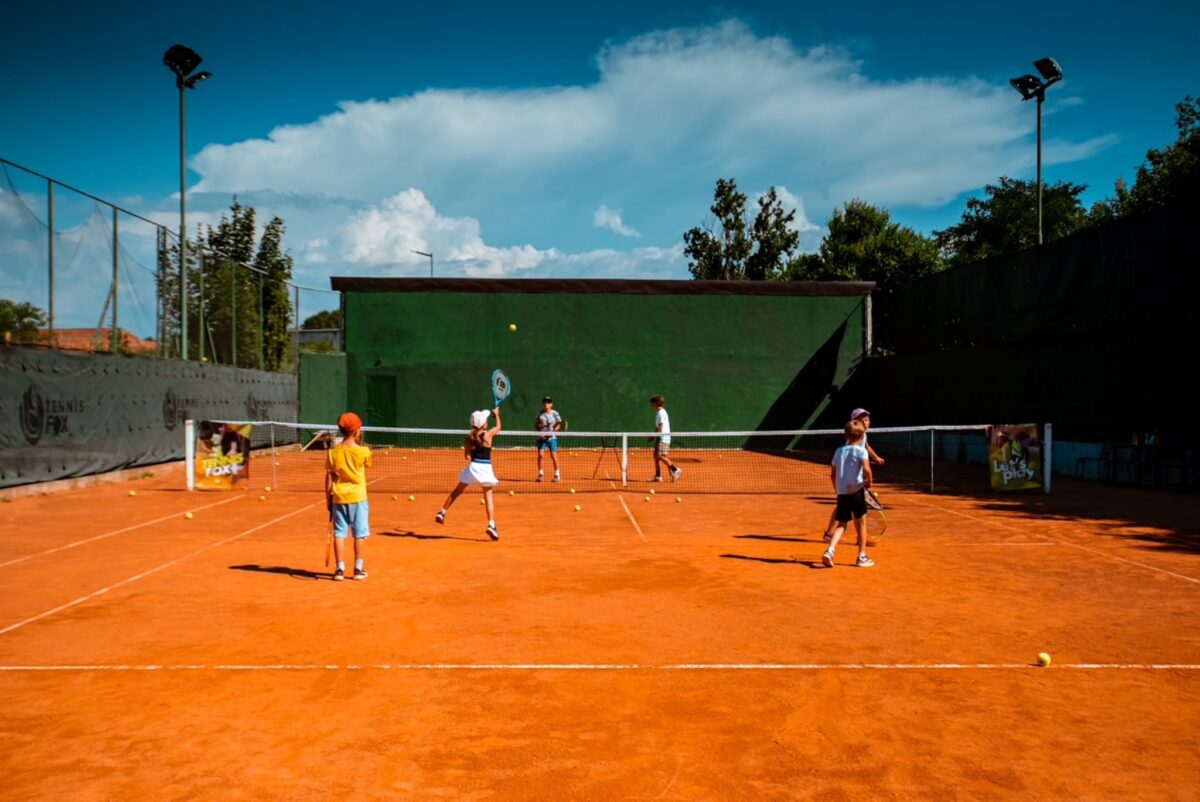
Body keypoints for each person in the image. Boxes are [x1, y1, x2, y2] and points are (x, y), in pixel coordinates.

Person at [435, 407, 502, 540]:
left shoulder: (469, 438)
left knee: (457, 491)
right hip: (485, 468)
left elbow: (467, 457)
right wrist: (497, 415)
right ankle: (491, 525)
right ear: (483, 424)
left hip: (473, 467)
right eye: (486, 420)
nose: (487, 421)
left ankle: (442, 512)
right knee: (488, 496)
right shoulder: (487, 435)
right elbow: (499, 427)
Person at [823, 407, 884, 541]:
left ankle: (855, 536)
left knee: (852, 507)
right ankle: (851, 535)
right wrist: (867, 479)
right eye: (862, 420)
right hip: (852, 476)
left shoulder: (863, 436)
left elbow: (867, 446)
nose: (866, 422)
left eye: (867, 420)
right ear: (854, 423)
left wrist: (876, 457)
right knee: (855, 508)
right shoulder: (852, 440)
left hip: (855, 475)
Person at [324, 412, 372, 581]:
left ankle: (339, 569)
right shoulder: (364, 451)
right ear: (357, 430)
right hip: (358, 498)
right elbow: (367, 464)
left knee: (339, 534)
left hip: (338, 498)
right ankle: (358, 569)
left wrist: (328, 500)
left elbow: (329, 477)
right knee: (359, 534)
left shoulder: (333, 453)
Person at [822, 419, 875, 568]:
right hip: (856, 492)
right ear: (862, 436)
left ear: (845, 435)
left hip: (842, 492)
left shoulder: (838, 451)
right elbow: (867, 469)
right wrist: (869, 481)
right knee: (862, 523)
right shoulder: (862, 451)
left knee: (842, 524)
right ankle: (861, 557)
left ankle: (830, 550)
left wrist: (837, 489)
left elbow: (832, 474)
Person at [649, 394, 681, 482]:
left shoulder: (661, 413)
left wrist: (654, 436)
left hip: (663, 438)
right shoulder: (659, 413)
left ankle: (675, 470)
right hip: (660, 437)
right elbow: (657, 427)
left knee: (660, 456)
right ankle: (658, 476)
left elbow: (660, 427)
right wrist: (654, 436)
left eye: (652, 403)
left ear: (656, 403)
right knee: (656, 456)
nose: (651, 405)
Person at [535, 396, 562, 482]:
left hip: (552, 438)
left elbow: (558, 425)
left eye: (548, 402)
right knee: (540, 455)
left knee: (553, 456)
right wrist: (540, 433)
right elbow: (536, 425)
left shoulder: (555, 414)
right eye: (545, 402)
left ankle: (557, 474)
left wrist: (553, 431)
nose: (546, 404)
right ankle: (540, 474)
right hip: (541, 438)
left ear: (551, 404)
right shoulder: (540, 414)